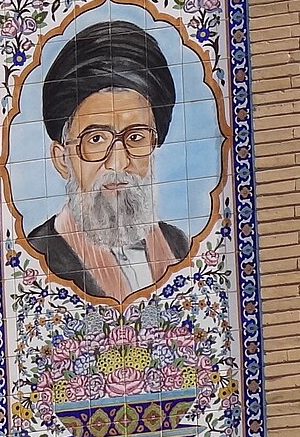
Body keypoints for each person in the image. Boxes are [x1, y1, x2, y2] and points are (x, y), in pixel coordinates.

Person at [28, 19, 190, 303]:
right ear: (61, 159)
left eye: (136, 137)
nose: (118, 162)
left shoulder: (180, 247)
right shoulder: (36, 260)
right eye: (96, 139)